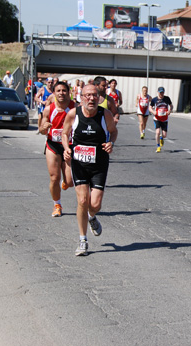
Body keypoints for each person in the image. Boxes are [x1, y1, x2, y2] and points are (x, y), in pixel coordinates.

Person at [62, 84, 118, 256]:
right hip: (79, 163)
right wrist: (66, 148)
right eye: (87, 95)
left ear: (98, 97)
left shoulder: (105, 114)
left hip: (99, 164)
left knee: (94, 205)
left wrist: (111, 143)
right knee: (82, 201)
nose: (91, 99)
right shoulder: (73, 114)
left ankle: (92, 217)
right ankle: (82, 240)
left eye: (94, 95)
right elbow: (65, 133)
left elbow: (113, 132)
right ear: (81, 97)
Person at [38, 81, 75, 217]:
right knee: (54, 177)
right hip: (53, 145)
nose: (61, 93)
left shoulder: (74, 108)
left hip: (69, 146)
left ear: (68, 92)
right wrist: (44, 127)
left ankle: (66, 182)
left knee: (70, 181)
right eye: (58, 91)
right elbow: (41, 130)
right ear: (54, 93)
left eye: (64, 90)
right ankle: (57, 205)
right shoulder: (49, 109)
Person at [150, 86, 173, 153]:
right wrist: (153, 111)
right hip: (157, 118)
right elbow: (150, 107)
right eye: (160, 92)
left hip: (165, 119)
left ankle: (161, 138)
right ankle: (158, 146)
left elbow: (171, 105)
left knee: (164, 135)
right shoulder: (154, 99)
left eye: (162, 92)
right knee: (157, 132)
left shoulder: (167, 99)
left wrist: (170, 110)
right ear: (158, 92)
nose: (161, 94)